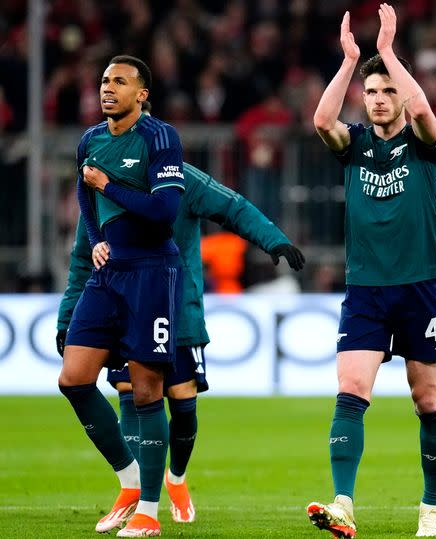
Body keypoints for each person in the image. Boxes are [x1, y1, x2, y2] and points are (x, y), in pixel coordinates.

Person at [57, 148, 304, 527]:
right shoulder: (99, 178)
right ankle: (137, 494)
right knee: (130, 392)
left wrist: (273, 240)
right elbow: (82, 255)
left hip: (178, 307)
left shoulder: (177, 177)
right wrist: (67, 317)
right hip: (122, 306)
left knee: (183, 403)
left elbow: (232, 206)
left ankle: (176, 477)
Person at [306, 4, 436, 537]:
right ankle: (343, 502)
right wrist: (351, 62)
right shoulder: (355, 147)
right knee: (351, 389)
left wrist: (389, 53)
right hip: (365, 288)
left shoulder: (424, 146)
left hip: (419, 285)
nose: (378, 99)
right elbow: (322, 121)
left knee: (427, 399)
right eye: (372, 92)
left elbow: (424, 115)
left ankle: (431, 508)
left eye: (387, 90)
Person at [58, 55, 184, 537]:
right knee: (74, 379)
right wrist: (96, 240)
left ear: (142, 93)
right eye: (105, 80)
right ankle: (130, 480)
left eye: (120, 82)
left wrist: (109, 183)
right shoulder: (89, 141)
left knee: (148, 390)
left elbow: (164, 210)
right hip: (110, 273)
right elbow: (84, 196)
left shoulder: (159, 137)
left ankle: (149, 514)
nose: (108, 88)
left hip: (153, 272)